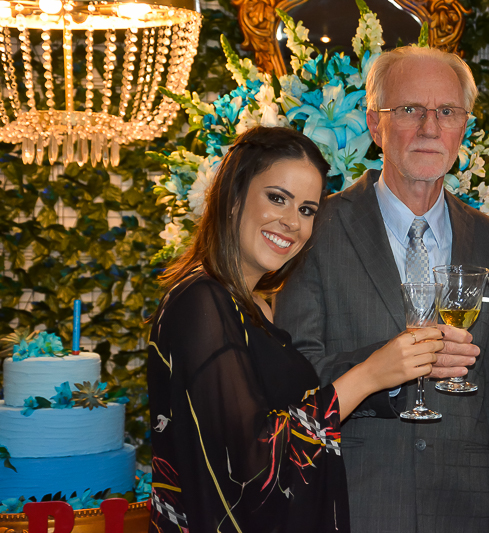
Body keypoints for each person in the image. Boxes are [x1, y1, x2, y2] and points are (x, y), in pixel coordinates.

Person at [147, 126, 444, 533]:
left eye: (306, 210)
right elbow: (250, 468)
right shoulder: (201, 302)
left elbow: (284, 414)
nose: (291, 222)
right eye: (277, 198)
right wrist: (368, 376)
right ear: (233, 197)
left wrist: (393, 367)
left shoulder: (256, 308)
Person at [273, 46, 489, 533]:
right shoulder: (315, 229)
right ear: (374, 124)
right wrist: (389, 367)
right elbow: (292, 375)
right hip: (353, 500)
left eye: (447, 112)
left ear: (464, 127)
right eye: (409, 109)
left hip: (465, 510)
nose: (430, 127)